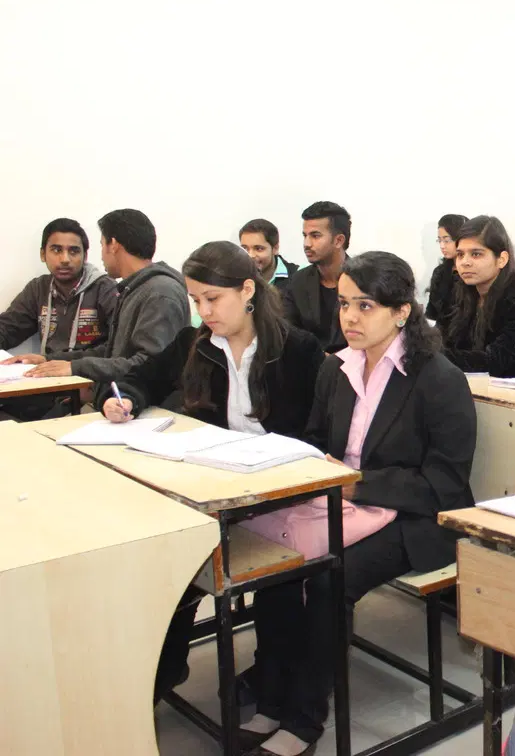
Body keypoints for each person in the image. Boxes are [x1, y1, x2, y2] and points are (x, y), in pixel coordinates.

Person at [246, 251, 475, 756]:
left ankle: (305, 718)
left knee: (329, 576)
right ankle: (271, 695)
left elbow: (445, 482)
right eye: (344, 304)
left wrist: (358, 483)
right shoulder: (336, 369)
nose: (349, 317)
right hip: (343, 500)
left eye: (365, 306)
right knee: (274, 563)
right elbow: (314, 438)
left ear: (402, 312)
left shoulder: (438, 379)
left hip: (416, 516)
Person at [92, 241, 324, 706]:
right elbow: (143, 377)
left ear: (247, 290)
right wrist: (123, 400)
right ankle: (155, 676)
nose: (203, 311)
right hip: (216, 486)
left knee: (200, 563)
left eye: (212, 299)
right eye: (196, 300)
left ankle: (264, 680)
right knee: (165, 560)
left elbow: (316, 436)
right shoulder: (194, 342)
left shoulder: (297, 349)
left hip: (278, 489)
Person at [7, 209, 189, 385]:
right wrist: (52, 361)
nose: (64, 259)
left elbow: (151, 366)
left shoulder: (160, 293)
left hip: (140, 402)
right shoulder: (131, 289)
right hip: (121, 396)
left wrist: (76, 368)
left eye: (102, 244)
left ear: (114, 245)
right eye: (56, 250)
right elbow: (112, 352)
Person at [0, 218, 120, 420]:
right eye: (56, 250)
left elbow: (115, 347)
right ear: (42, 254)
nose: (65, 259)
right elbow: (9, 328)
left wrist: (62, 362)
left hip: (88, 385)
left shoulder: (105, 289)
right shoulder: (38, 289)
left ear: (85, 255)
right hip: (47, 381)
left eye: (73, 251)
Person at [442, 216, 515, 377]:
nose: (464, 262)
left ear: (501, 260)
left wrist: (432, 355)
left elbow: (494, 361)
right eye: (460, 255)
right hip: (467, 389)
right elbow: (444, 341)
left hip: (512, 395)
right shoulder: (460, 293)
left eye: (476, 254)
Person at [283, 201, 351, 353]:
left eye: (315, 236)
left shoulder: (363, 281)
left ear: (338, 240)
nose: (306, 243)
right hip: (309, 368)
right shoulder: (298, 281)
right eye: (305, 235)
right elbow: (288, 332)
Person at [426, 213, 467, 327]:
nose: (442, 246)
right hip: (439, 337)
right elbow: (431, 313)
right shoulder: (440, 272)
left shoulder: (472, 272)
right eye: (439, 240)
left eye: (447, 240)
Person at [240, 219, 298, 291]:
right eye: (245, 248)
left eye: (258, 248)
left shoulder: (297, 277)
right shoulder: (235, 278)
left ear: (275, 249)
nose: (250, 255)